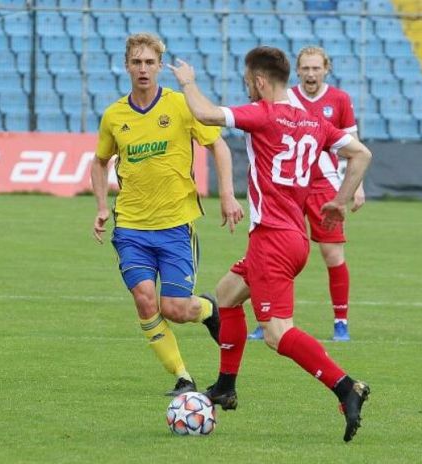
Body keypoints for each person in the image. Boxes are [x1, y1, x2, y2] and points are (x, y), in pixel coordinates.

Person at [168, 46, 373, 442]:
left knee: (278, 333)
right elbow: (361, 154)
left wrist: (188, 82)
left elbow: (207, 114)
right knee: (226, 296)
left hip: (272, 241)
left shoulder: (263, 114)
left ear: (260, 81)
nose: (247, 86)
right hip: (292, 236)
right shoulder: (312, 121)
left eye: (248, 81)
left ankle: (346, 387)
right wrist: (338, 200)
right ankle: (225, 386)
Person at [91, 33, 244, 397]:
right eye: (136, 62)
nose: (143, 69)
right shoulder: (114, 115)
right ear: (127, 65)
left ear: (160, 66)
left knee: (175, 308)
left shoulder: (179, 106)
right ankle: (182, 376)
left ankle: (208, 309)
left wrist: (226, 193)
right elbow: (99, 162)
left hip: (176, 226)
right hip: (130, 227)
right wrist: (100, 206)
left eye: (149, 62)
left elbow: (218, 146)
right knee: (145, 299)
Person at [248, 46, 363, 342]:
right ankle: (267, 318)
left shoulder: (340, 99)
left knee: (332, 253)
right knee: (274, 248)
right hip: (285, 187)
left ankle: (341, 322)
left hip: (324, 184)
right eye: (306, 68)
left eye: (316, 68)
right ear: (297, 71)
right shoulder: (286, 96)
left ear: (326, 69)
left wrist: (356, 186)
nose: (311, 74)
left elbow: (354, 144)